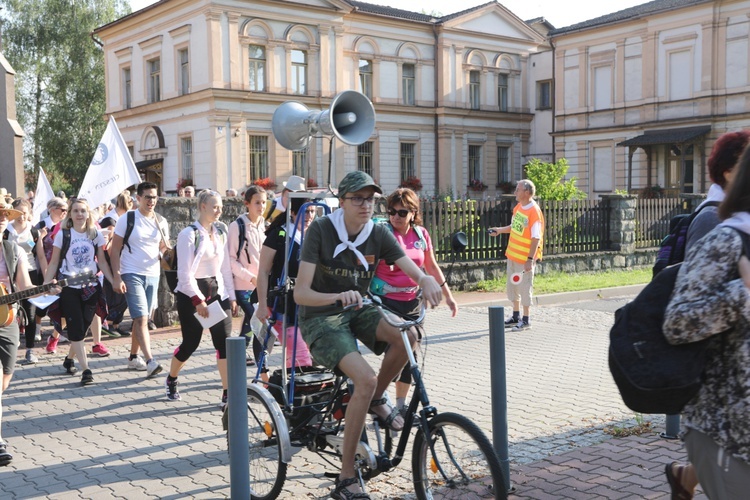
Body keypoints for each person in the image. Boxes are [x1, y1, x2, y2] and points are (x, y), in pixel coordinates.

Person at [294, 171, 442, 499]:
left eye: (370, 199)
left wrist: (428, 280)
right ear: (343, 201)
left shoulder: (376, 233)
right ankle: (346, 478)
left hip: (358, 309)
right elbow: (300, 294)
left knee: (409, 336)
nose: (366, 205)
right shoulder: (321, 230)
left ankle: (375, 400)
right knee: (364, 378)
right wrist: (335, 297)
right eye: (358, 199)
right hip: (320, 318)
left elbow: (412, 267)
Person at [666, 130, 750, 499]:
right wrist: (741, 295)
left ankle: (685, 479)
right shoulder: (725, 236)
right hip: (727, 432)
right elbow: (677, 322)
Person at [372, 188, 458, 417]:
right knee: (399, 352)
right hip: (386, 302)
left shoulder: (421, 235)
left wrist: (448, 296)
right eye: (391, 211)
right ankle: (378, 398)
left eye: (401, 212)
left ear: (413, 213)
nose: (395, 217)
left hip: (412, 302)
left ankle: (399, 407)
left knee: (412, 358)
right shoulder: (383, 232)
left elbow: (431, 267)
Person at [0, 201, 59, 466]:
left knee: (5, 379)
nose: (3, 217)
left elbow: (24, 285)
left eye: (5, 214)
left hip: (7, 319)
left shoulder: (13, 250)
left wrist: (46, 288)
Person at [165, 190, 237, 406]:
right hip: (192, 294)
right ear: (202, 207)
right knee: (191, 343)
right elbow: (184, 276)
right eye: (215, 206)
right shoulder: (189, 234)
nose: (219, 210)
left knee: (223, 343)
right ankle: (172, 378)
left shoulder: (221, 232)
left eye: (221, 207)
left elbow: (225, 268)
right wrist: (198, 301)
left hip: (217, 292)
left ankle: (227, 393)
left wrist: (231, 296)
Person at [44, 198, 115, 385]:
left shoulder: (95, 234)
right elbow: (54, 261)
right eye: (75, 210)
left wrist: (113, 280)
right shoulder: (64, 234)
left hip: (91, 286)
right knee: (75, 326)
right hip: (69, 286)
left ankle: (69, 359)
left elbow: (102, 261)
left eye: (83, 210)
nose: (79, 214)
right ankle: (86, 369)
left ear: (88, 213)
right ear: (70, 214)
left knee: (82, 328)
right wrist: (46, 284)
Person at [108, 182, 169, 377]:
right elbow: (114, 250)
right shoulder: (128, 218)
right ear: (138, 198)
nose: (152, 201)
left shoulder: (161, 221)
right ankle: (150, 360)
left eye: (154, 197)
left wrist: (168, 252)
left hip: (152, 274)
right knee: (142, 317)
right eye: (148, 197)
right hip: (131, 272)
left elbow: (163, 249)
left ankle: (133, 357)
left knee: (140, 318)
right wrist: (117, 277)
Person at [256, 196, 316, 378]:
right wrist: (261, 304)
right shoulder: (280, 235)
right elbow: (263, 271)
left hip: (309, 306)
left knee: (309, 357)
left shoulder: (314, 236)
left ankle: (298, 394)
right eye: (305, 211)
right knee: (301, 356)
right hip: (283, 305)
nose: (309, 216)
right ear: (293, 213)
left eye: (312, 211)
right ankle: (294, 395)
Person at [488, 179, 545, 331]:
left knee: (525, 288)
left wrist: (530, 259)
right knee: (513, 287)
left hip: (524, 259)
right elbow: (515, 227)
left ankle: (526, 320)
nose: (515, 192)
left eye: (518, 190)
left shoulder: (534, 212)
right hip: (513, 256)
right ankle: (515, 316)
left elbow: (536, 238)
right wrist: (499, 230)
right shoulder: (519, 207)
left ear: (527, 192)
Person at [5, 198, 47, 364]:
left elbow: (41, 257)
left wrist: (46, 278)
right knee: (11, 313)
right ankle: (10, 347)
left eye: (25, 213)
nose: (21, 216)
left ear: (29, 214)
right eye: (19, 213)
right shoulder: (6, 231)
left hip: (30, 274)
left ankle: (29, 350)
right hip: (10, 275)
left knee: (30, 313)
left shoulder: (34, 232)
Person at [228, 186, 266, 365]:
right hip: (244, 286)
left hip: (261, 285)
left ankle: (238, 355)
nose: (261, 206)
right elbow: (231, 260)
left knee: (251, 321)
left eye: (264, 202)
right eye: (257, 202)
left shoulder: (262, 224)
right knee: (257, 319)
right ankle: (261, 363)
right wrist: (250, 277)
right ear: (247, 204)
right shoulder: (237, 226)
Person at [36, 197, 68, 353]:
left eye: (67, 210)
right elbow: (35, 251)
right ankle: (38, 330)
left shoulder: (67, 225)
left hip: (65, 270)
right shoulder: (41, 226)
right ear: (51, 209)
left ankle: (55, 336)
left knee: (67, 307)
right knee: (48, 306)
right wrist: (46, 274)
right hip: (47, 269)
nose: (65, 213)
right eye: (63, 210)